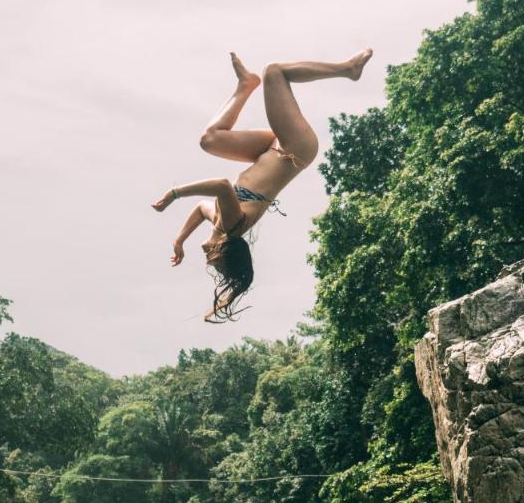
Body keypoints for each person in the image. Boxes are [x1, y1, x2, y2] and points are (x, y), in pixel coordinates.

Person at [152, 49, 373, 322]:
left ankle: (246, 85)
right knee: (275, 72)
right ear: (224, 251)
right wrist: (174, 194)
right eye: (217, 265)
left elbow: (200, 208)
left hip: (268, 150)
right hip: (294, 148)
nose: (210, 263)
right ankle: (347, 69)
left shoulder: (221, 222)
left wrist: (179, 240)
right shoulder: (233, 226)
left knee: (209, 140)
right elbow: (221, 186)